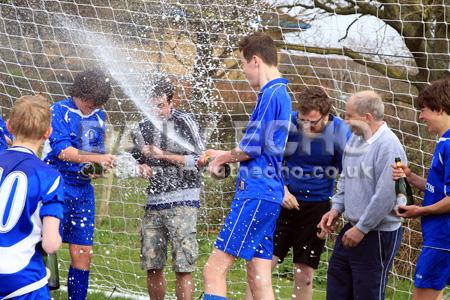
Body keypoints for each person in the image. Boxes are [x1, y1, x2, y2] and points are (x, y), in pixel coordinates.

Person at [201, 32, 292, 300]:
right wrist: (222, 152)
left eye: (242, 63)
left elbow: (252, 148)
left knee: (213, 271)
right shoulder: (281, 94)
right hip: (268, 194)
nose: (243, 71)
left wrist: (221, 159)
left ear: (255, 60)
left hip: (256, 194)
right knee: (258, 278)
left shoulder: (271, 93)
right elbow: (260, 147)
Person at [266, 87, 350, 300]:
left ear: (326, 114)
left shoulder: (341, 132)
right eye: (302, 120)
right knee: (263, 264)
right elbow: (270, 161)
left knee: (304, 273)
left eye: (312, 122)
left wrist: (335, 213)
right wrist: (281, 189)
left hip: (317, 206)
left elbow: (347, 176)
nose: (306, 126)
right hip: (282, 200)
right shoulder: (287, 123)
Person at [319, 91, 405, 300]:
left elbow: (387, 195)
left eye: (349, 116)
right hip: (353, 228)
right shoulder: (355, 141)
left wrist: (362, 228)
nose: (345, 120)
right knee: (337, 289)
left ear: (367, 118)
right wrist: (336, 208)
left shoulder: (389, 145)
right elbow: (346, 179)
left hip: (377, 234)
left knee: (367, 294)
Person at [131, 75, 205, 300]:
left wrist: (164, 155)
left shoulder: (185, 122)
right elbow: (132, 159)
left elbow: (202, 160)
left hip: (184, 202)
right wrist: (140, 165)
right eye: (152, 106)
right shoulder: (142, 127)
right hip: (154, 204)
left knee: (183, 266)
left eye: (161, 106)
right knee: (153, 265)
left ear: (172, 102)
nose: (156, 111)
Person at [43, 69, 115, 300]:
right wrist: (95, 159)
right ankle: (41, 294)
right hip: (56, 187)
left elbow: (95, 153)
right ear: (79, 93)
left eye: (97, 103)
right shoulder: (58, 111)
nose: (92, 106)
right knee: (47, 246)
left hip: (83, 191)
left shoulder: (98, 117)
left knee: (83, 251)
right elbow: (63, 152)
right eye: (90, 101)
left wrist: (96, 169)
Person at [0, 94, 64, 299]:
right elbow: (50, 244)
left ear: (9, 126)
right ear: (48, 133)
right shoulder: (49, 176)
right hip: (23, 279)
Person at [392, 79, 450, 300]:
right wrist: (411, 177)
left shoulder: (449, 145)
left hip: (442, 239)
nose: (421, 116)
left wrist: (420, 210)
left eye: (423, 110)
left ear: (440, 108)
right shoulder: (444, 142)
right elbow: (440, 189)